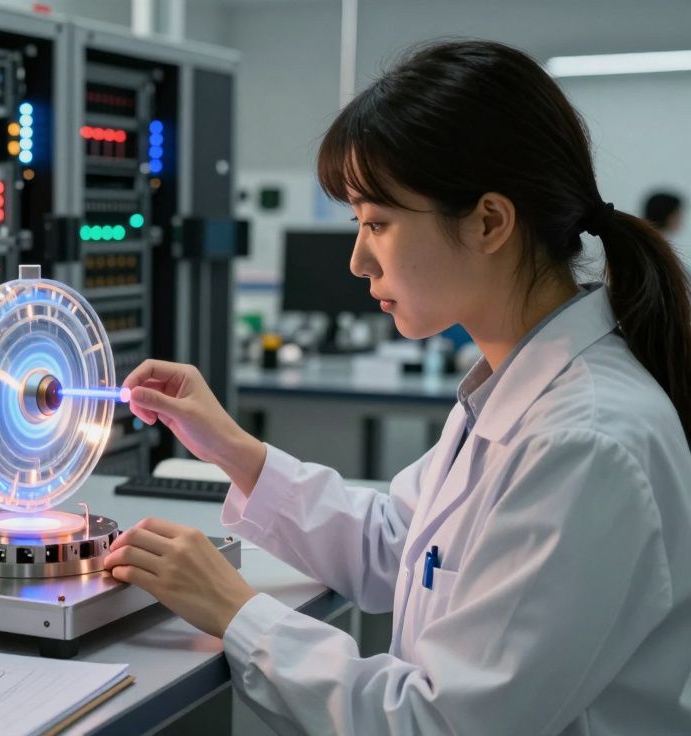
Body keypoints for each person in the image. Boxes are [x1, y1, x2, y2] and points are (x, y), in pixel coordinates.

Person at [105, 39, 691, 734]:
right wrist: (231, 447)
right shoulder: (513, 392)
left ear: (489, 221)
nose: (357, 259)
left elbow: (436, 724)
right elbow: (398, 546)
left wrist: (236, 611)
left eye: (377, 223)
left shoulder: (583, 442)